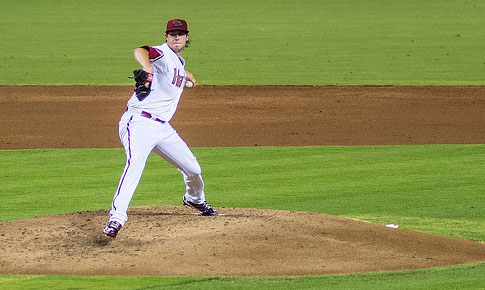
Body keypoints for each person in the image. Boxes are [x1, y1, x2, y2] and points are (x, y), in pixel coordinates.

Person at [103, 19, 218, 238]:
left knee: (193, 169)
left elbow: (178, 72)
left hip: (163, 129)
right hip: (138, 123)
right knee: (135, 163)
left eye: (180, 34)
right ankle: (117, 218)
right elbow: (141, 50)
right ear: (166, 36)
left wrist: (187, 76)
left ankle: (195, 199)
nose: (176, 37)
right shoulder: (162, 53)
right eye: (172, 33)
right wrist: (148, 70)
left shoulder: (178, 61)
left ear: (186, 38)